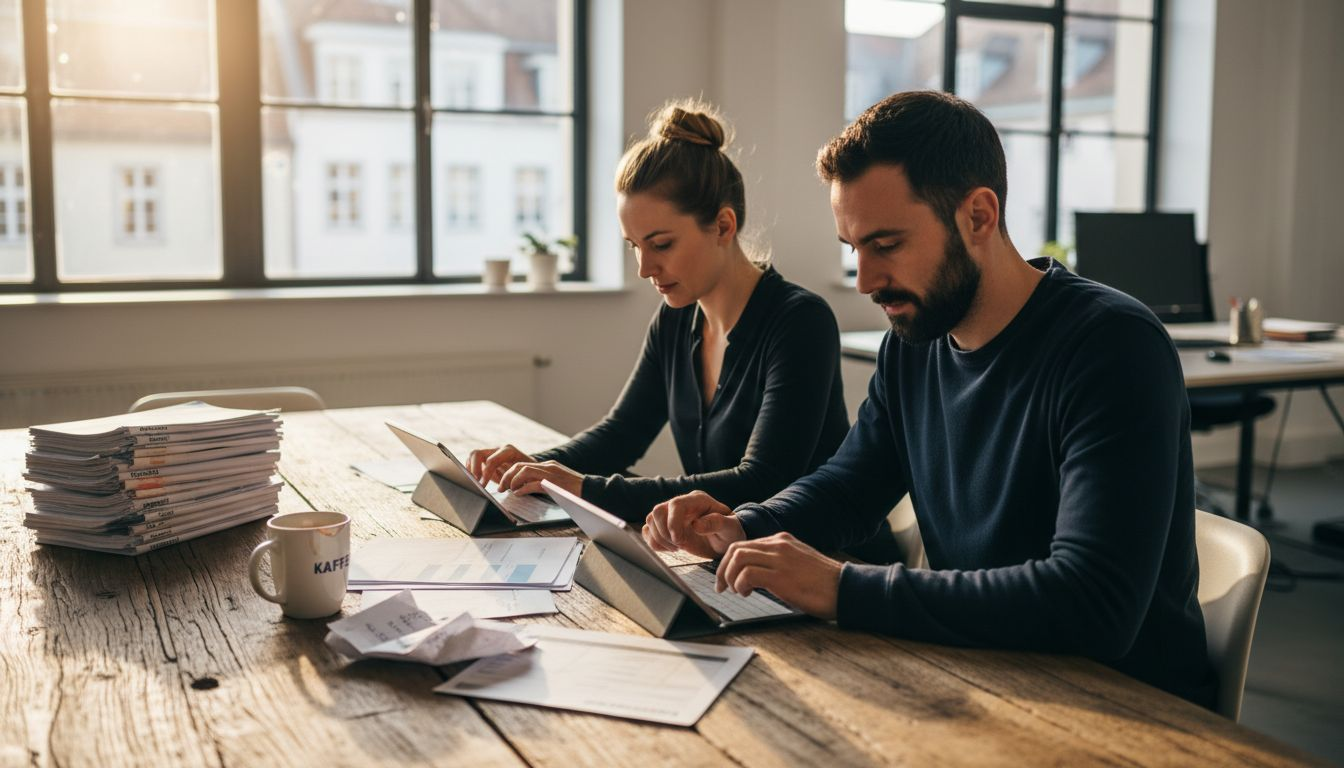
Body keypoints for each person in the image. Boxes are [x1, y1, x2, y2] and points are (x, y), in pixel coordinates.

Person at [642, 91, 1217, 709]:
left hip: (1125, 708)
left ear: (977, 216)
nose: (864, 280)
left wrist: (843, 588)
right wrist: (744, 524)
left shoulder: (1111, 345)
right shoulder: (915, 342)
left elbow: (1093, 604)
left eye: (886, 246)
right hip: (982, 672)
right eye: (853, 248)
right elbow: (850, 487)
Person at [467, 100, 850, 525]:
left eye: (661, 244)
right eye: (635, 246)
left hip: (814, 565)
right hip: (725, 558)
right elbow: (620, 435)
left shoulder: (800, 323)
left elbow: (762, 482)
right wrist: (532, 466)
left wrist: (581, 487)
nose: (644, 269)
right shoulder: (676, 318)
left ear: (723, 226)